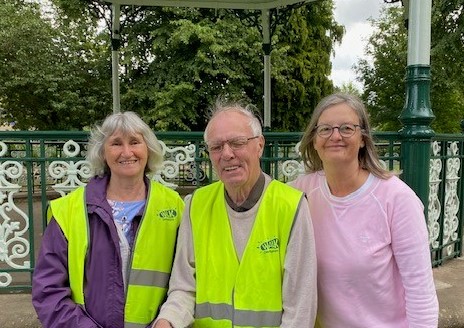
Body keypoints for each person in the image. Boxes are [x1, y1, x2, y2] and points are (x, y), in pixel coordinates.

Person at [153, 101, 317, 328]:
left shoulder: (291, 206)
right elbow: (184, 287)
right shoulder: (196, 204)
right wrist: (167, 320)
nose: (227, 154)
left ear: (259, 145)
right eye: (216, 147)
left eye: (237, 143)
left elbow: (299, 309)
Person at [290, 93, 439, 328]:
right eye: (325, 129)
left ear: (363, 139)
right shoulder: (301, 191)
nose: (335, 136)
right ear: (314, 140)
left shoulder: (396, 199)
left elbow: (421, 292)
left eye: (347, 128)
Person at [32, 111, 185, 328]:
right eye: (116, 143)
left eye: (135, 142)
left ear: (148, 149)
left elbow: (187, 281)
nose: (126, 151)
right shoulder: (68, 210)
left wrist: (168, 322)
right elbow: (48, 291)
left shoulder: (174, 206)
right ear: (103, 152)